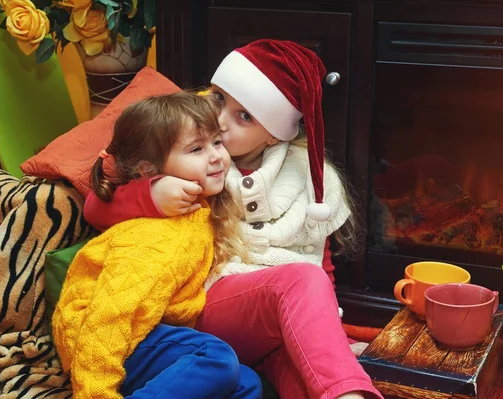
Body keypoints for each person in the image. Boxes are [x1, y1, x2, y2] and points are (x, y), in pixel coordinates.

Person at [84, 40, 383, 399]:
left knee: (305, 372)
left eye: (245, 117)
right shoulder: (189, 153)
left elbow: (317, 257)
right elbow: (96, 207)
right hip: (206, 306)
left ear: (274, 133)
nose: (221, 122)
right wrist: (151, 194)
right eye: (219, 99)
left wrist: (326, 332)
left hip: (271, 320)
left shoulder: (311, 176)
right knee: (301, 280)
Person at [52, 92, 262, 399]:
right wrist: (95, 391)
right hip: (98, 340)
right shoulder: (156, 240)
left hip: (145, 334)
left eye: (217, 142)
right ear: (148, 170)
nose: (216, 156)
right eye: (196, 149)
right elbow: (109, 316)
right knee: (215, 358)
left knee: (246, 382)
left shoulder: (196, 211)